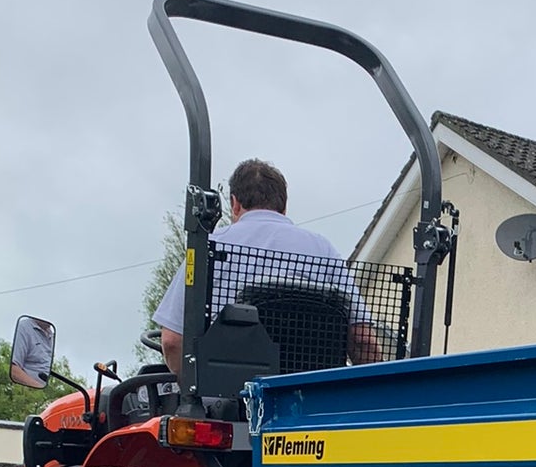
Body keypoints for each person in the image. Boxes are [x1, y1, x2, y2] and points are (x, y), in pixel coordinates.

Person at [153, 158, 383, 378]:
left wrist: (194, 391)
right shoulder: (323, 251)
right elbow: (362, 340)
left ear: (234, 203)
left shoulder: (208, 248)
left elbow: (172, 341)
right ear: (283, 206)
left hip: (229, 402)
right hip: (312, 403)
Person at [9, 316, 56, 388]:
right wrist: (40, 386)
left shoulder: (51, 334)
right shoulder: (24, 327)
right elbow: (14, 370)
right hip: (30, 391)